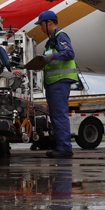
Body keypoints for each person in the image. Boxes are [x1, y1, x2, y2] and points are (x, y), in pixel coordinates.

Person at [35, 10, 78, 158]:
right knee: (56, 116)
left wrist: (53, 56)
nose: (41, 28)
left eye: (41, 25)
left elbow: (69, 53)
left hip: (59, 81)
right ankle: (61, 146)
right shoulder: (51, 40)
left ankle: (65, 148)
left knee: (59, 115)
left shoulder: (60, 36)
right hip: (53, 82)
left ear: (49, 23)